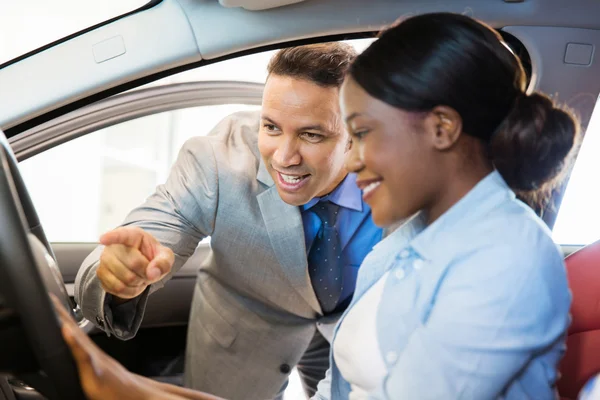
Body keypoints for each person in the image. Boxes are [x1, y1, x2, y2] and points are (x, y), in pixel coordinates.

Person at [62, 11, 579, 399]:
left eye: (361, 132)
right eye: (269, 127)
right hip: (252, 326)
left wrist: (130, 390)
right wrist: (119, 285)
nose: (358, 159)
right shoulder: (417, 242)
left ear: (441, 131)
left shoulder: (497, 259)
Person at [74, 43, 383, 400]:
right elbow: (160, 221)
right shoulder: (219, 158)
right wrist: (119, 273)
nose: (284, 157)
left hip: (355, 336)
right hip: (244, 328)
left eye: (311, 135)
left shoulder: (397, 170)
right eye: (271, 127)